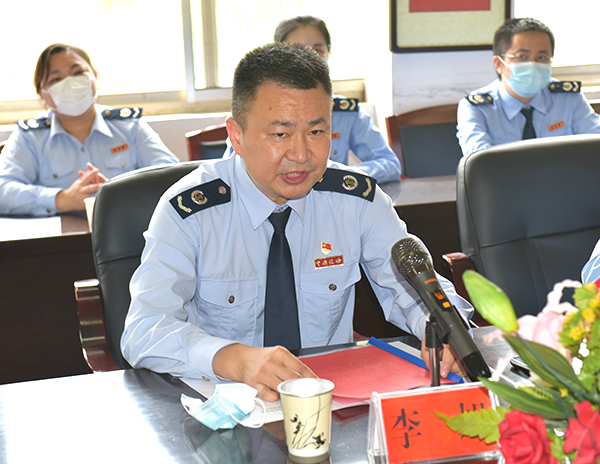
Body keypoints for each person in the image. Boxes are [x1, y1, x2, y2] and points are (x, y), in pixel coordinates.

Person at [121, 43, 473, 402]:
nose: (302, 154)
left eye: (316, 132)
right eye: (280, 134)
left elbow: (416, 291)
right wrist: (233, 358)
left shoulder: (355, 200)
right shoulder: (190, 212)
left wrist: (447, 331)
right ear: (236, 136)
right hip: (225, 403)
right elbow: (144, 329)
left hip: (330, 399)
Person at [0, 43, 179, 216]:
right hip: (61, 236)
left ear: (95, 78)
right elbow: (3, 190)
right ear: (42, 95)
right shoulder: (30, 136)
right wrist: (61, 199)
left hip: (127, 230)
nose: (70, 83)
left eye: (78, 73)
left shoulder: (129, 126)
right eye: (56, 79)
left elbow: (174, 179)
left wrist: (118, 194)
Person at [223, 15, 402, 184]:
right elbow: (231, 173)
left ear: (328, 54)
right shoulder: (255, 112)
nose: (308, 59)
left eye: (318, 51)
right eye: (280, 133)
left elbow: (389, 164)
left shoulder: (346, 113)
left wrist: (338, 179)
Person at [456, 18, 600, 156]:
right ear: (499, 64)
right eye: (522, 56)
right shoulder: (477, 108)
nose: (533, 65)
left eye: (542, 57)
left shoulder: (569, 98)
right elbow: (480, 163)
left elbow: (596, 144)